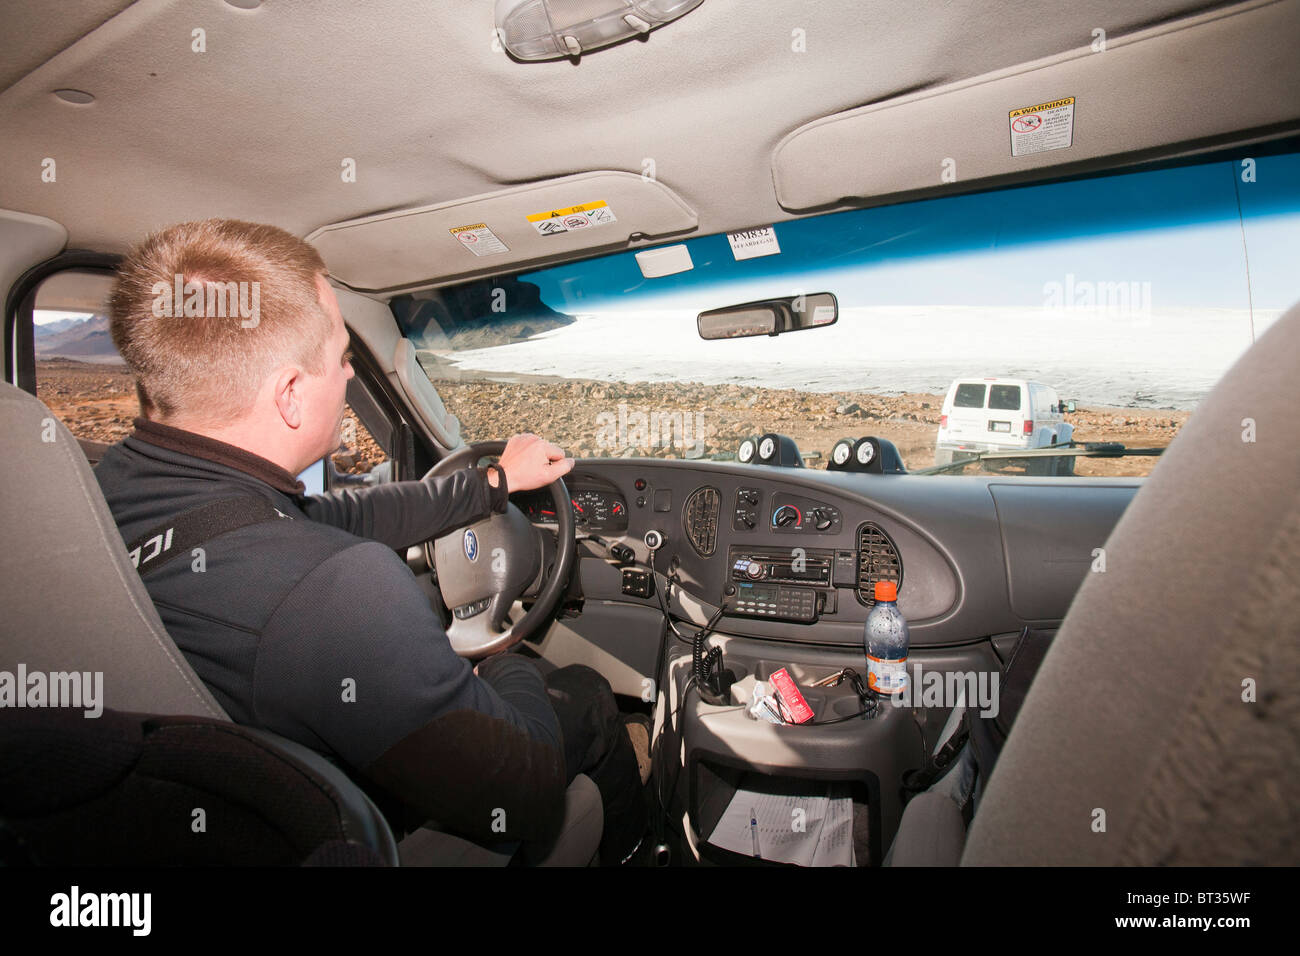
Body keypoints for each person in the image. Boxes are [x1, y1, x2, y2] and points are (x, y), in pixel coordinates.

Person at [93, 218, 646, 864]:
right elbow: (521, 790)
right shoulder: (336, 591)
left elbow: (339, 517)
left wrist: (493, 483)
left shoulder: (106, 493)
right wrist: (502, 666)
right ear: (290, 395)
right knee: (584, 695)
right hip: (331, 834)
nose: (352, 376)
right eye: (342, 356)